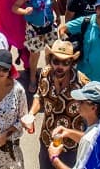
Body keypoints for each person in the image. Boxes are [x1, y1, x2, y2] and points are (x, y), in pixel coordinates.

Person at [24, 40, 91, 169]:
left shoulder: (82, 84)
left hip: (69, 147)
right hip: (46, 139)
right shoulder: (45, 74)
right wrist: (31, 114)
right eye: (56, 61)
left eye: (65, 62)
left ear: (72, 63)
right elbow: (39, 96)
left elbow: (93, 117)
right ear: (50, 60)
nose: (60, 67)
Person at [46, 81, 100, 169]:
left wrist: (54, 158)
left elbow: (89, 141)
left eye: (81, 102)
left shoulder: (88, 139)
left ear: (93, 107)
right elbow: (91, 142)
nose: (77, 103)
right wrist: (68, 132)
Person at [13, 0, 58, 91]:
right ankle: (33, 79)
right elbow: (15, 7)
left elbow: (53, 2)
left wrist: (58, 15)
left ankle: (50, 77)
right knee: (35, 55)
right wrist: (24, 11)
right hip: (34, 30)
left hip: (50, 27)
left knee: (53, 53)